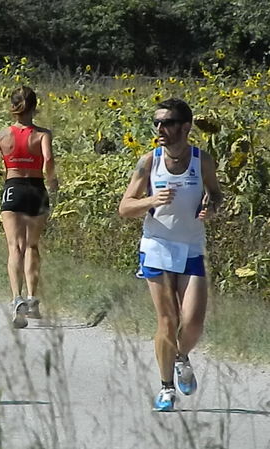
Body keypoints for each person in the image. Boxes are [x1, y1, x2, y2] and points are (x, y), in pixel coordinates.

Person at [118, 98, 222, 411]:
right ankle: (166, 388)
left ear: (186, 126)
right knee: (167, 320)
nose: (160, 129)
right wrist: (151, 200)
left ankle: (180, 357)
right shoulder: (149, 161)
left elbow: (216, 194)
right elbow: (124, 207)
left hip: (191, 248)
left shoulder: (201, 160)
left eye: (168, 123)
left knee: (192, 323)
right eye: (157, 123)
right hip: (157, 246)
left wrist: (211, 207)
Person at [0, 86, 58, 328]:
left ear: (12, 108)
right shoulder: (43, 134)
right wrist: (52, 179)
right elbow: (49, 160)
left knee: (14, 246)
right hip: (36, 188)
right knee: (32, 245)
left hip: (13, 187)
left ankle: (17, 299)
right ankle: (33, 299)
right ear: (34, 107)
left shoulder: (3, 134)